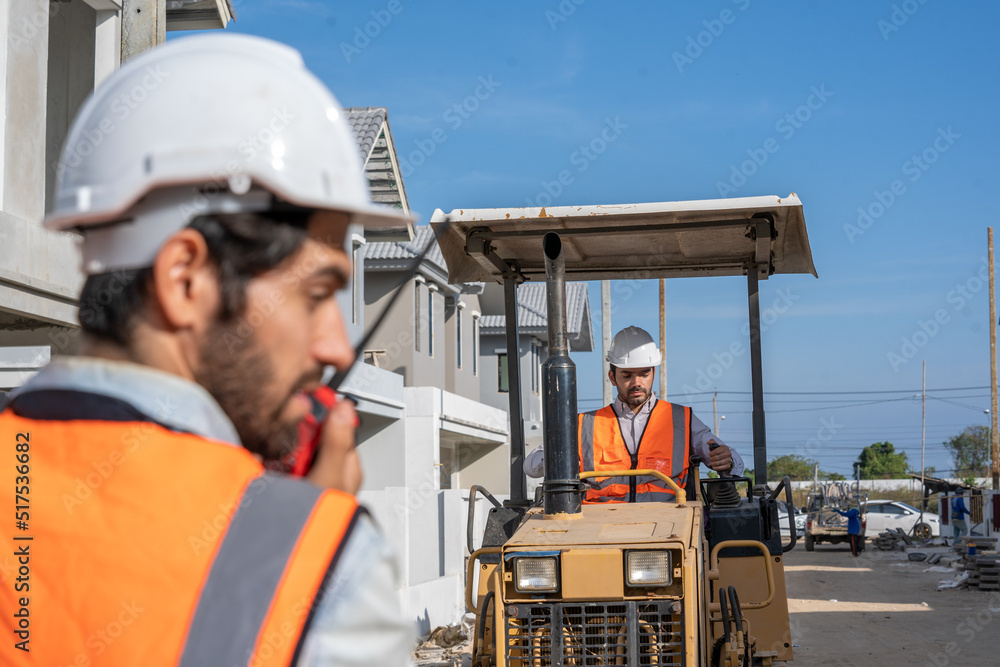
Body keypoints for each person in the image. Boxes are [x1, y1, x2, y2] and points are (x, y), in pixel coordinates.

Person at [0, 34, 413, 665]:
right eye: (315, 294)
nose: (335, 345)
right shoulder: (322, 560)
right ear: (186, 280)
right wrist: (294, 542)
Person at [524, 326, 743, 502]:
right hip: (600, 530)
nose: (637, 383)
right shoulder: (585, 424)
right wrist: (558, 454)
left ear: (653, 374)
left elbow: (734, 462)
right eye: (627, 375)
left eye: (644, 374)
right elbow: (531, 467)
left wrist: (727, 460)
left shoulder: (681, 419)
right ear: (612, 377)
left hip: (670, 529)